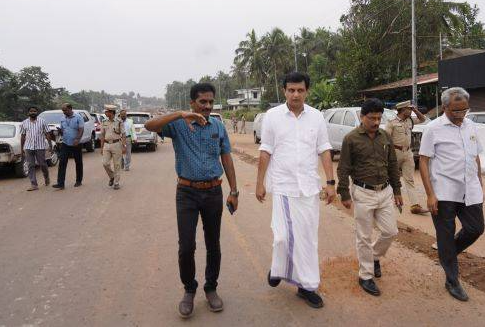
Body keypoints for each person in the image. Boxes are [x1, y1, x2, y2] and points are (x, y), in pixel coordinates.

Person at [145, 83, 239, 319]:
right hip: (186, 193)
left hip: (213, 192)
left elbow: (226, 158)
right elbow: (149, 125)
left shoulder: (218, 126)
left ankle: (211, 288)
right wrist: (179, 114)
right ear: (192, 103)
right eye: (202, 102)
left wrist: (234, 191)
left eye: (210, 102)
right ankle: (189, 289)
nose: (207, 106)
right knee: (186, 246)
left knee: (213, 243)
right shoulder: (178, 125)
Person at [255, 72, 336, 309]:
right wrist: (260, 183)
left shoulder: (316, 117)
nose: (295, 94)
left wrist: (330, 183)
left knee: (307, 239)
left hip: (309, 188)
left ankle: (306, 286)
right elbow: (265, 150)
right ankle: (279, 267)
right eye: (291, 90)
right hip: (283, 186)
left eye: (300, 90)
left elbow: (324, 149)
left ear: (307, 91)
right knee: (282, 237)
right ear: (284, 91)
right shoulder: (272, 116)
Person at [419, 87, 485, 302]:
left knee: (476, 229)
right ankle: (452, 280)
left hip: (470, 190)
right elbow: (424, 161)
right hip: (444, 191)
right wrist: (430, 195)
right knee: (445, 235)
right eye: (456, 110)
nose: (461, 114)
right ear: (445, 107)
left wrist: (480, 185)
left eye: (464, 110)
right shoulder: (433, 129)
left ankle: (447, 254)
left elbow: (475, 157)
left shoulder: (471, 125)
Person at [336, 98, 402, 296]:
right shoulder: (351, 139)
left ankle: (373, 257)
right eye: (371, 118)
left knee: (390, 231)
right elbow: (343, 168)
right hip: (362, 192)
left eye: (379, 118)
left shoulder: (385, 137)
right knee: (363, 236)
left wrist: (397, 191)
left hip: (385, 191)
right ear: (362, 117)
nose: (375, 122)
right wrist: (344, 193)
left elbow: (392, 165)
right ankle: (365, 276)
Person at [385, 100, 428, 214]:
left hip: (408, 153)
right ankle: (387, 202)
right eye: (409, 109)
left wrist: (415, 110)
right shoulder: (391, 122)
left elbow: (423, 119)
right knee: (391, 178)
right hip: (395, 152)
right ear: (402, 110)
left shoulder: (410, 120)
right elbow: (386, 140)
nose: (411, 110)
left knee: (409, 179)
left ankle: (415, 205)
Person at [52, 103, 84, 190]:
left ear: (70, 109)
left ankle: (78, 181)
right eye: (63, 110)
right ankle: (60, 183)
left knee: (78, 162)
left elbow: (81, 129)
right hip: (65, 143)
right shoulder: (62, 118)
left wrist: (77, 139)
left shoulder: (78, 117)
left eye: (65, 110)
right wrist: (60, 131)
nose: (64, 112)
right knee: (62, 162)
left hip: (76, 143)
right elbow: (63, 130)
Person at [20, 106, 52, 191]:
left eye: (34, 111)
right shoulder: (24, 123)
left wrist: (50, 145)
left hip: (40, 146)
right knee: (30, 165)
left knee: (42, 164)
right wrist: (21, 148)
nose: (33, 112)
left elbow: (47, 134)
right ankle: (34, 184)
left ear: (37, 112)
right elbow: (23, 136)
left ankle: (46, 177)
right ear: (28, 113)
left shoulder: (42, 122)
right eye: (31, 111)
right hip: (28, 147)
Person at [101, 105, 126, 190]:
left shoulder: (119, 122)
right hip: (106, 145)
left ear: (111, 112)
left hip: (116, 144)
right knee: (105, 163)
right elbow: (102, 135)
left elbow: (123, 134)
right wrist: (101, 148)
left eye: (107, 111)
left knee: (117, 164)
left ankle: (116, 182)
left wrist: (124, 145)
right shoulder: (104, 121)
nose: (105, 113)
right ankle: (112, 176)